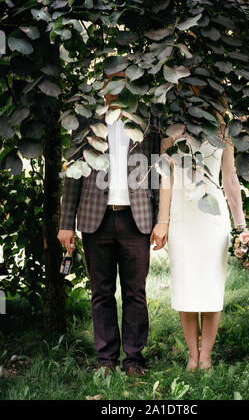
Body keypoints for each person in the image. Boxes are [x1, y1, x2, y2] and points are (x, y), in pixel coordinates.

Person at [57, 71, 160, 377]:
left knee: (135, 293)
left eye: (121, 80)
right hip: (94, 219)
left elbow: (156, 171)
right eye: (111, 80)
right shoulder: (85, 122)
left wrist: (160, 219)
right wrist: (65, 223)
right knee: (101, 292)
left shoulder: (147, 119)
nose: (116, 87)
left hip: (135, 219)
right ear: (102, 86)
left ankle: (133, 360)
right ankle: (106, 360)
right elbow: (73, 175)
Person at [150, 112, 247, 372]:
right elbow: (165, 179)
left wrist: (242, 227)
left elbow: (230, 179)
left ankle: (206, 356)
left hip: (213, 220)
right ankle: (193, 356)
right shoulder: (171, 132)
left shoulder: (223, 132)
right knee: (186, 287)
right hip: (181, 218)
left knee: (211, 289)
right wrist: (163, 222)